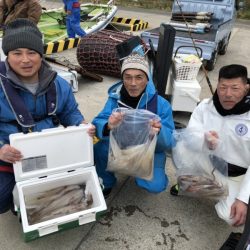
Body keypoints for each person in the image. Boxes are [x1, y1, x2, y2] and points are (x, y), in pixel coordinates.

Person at [0, 18, 95, 214]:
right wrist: (0, 150)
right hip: (12, 157)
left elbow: (70, 112)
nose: (25, 60)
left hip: (49, 153)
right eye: (17, 53)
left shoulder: (58, 83)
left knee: (83, 184)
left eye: (32, 52)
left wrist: (81, 124)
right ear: (7, 56)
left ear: (41, 55)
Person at [170, 64, 250, 227]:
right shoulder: (206, 106)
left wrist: (243, 198)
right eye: (223, 87)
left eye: (235, 88)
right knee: (180, 146)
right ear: (217, 85)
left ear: (246, 88)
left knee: (231, 217)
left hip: (239, 175)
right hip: (211, 162)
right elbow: (190, 134)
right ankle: (192, 184)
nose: (227, 94)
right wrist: (204, 140)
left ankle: (223, 192)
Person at [93, 52, 175, 197]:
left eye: (139, 77)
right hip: (121, 146)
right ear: (122, 78)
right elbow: (98, 122)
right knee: (99, 148)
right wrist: (108, 125)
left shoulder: (161, 105)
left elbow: (169, 143)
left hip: (148, 152)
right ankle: (106, 181)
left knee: (155, 185)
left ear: (147, 79)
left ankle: (148, 174)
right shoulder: (114, 99)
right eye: (128, 77)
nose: (133, 83)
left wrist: (159, 131)